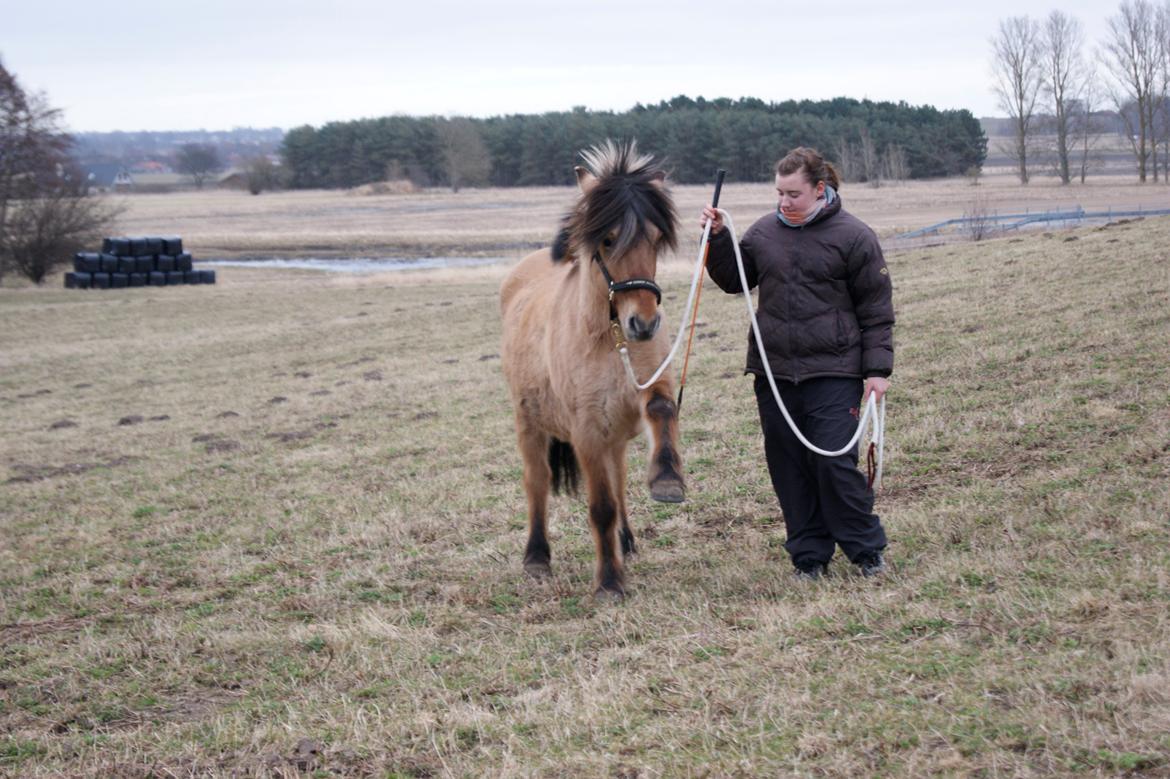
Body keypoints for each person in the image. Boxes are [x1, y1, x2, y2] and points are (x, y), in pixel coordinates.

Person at [700, 147, 894, 580]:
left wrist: (877, 371)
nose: (784, 202)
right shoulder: (764, 233)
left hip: (835, 370)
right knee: (789, 467)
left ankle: (865, 551)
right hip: (774, 374)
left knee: (833, 462)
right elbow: (735, 279)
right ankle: (809, 557)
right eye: (779, 193)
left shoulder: (854, 236)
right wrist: (715, 239)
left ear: (819, 189)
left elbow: (876, 308)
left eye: (793, 194)